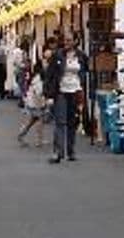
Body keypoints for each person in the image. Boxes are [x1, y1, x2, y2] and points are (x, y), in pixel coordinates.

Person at [43, 31, 89, 164]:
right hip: (61, 91)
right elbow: (49, 76)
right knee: (60, 121)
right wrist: (48, 95)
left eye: (69, 40)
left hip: (75, 91)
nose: (66, 43)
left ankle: (71, 151)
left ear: (76, 41)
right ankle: (57, 152)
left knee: (72, 122)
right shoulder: (58, 55)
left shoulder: (81, 56)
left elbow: (85, 70)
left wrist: (82, 86)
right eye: (65, 40)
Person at [17, 44, 54, 147]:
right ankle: (39, 140)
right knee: (39, 120)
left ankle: (21, 135)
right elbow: (39, 91)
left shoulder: (40, 71)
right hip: (37, 100)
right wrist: (43, 103)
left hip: (33, 99)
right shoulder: (42, 74)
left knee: (32, 120)